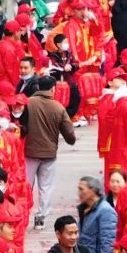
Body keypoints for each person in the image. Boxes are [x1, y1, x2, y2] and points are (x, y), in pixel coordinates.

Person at [25, 76, 77, 230]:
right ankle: (40, 217)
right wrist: (71, 139)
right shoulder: (58, 107)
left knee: (27, 185)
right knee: (45, 187)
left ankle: (23, 215)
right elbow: (69, 133)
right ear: (53, 88)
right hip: (49, 153)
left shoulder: (28, 103)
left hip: (29, 151)